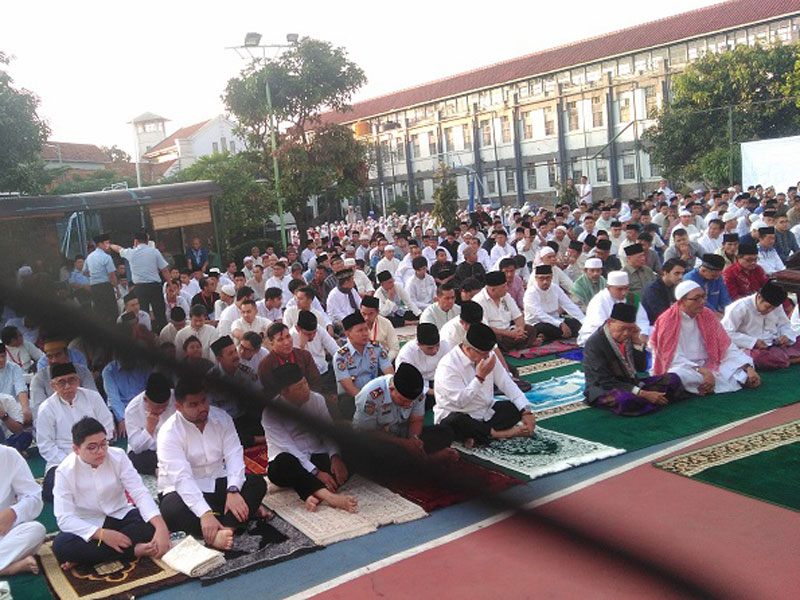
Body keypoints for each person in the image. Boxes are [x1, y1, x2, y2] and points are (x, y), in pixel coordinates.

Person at [157, 377, 269, 551]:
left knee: (257, 483)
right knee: (172, 510)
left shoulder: (221, 418)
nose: (202, 408)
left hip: (217, 483)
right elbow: (182, 479)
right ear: (179, 407)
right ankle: (229, 522)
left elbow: (234, 455)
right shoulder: (168, 433)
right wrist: (204, 513)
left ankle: (225, 530)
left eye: (203, 401)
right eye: (193, 405)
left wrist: (233, 490)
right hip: (180, 491)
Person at [53, 417, 170, 569]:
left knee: (151, 525)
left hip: (120, 515)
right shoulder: (65, 471)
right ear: (76, 449)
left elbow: (139, 493)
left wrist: (161, 528)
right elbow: (64, 518)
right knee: (62, 546)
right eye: (92, 447)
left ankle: (90, 557)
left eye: (103, 444)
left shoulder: (118, 456)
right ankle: (133, 550)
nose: (100, 451)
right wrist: (102, 535)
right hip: (89, 523)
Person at [263, 364, 357, 513]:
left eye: (305, 383)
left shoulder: (317, 399)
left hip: (316, 454)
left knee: (352, 446)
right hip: (289, 462)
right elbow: (289, 448)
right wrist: (316, 473)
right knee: (284, 463)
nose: (306, 389)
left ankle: (313, 494)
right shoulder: (270, 412)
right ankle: (329, 497)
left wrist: (335, 457)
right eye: (299, 388)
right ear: (284, 392)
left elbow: (328, 433)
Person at [649, 280, 760, 395]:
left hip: (710, 363)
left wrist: (747, 367)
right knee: (678, 377)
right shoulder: (667, 320)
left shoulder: (707, 314)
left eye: (703, 297)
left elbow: (726, 346)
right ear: (682, 301)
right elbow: (670, 357)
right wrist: (702, 371)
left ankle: (701, 387)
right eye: (696, 298)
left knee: (739, 371)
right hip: (684, 367)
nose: (702, 301)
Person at [433, 323, 535, 445]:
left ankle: (479, 435)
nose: (487, 356)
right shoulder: (448, 365)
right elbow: (460, 402)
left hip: (484, 412)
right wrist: (479, 378)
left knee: (514, 408)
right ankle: (501, 434)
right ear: (468, 348)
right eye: (483, 353)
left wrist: (526, 411)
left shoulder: (488, 356)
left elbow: (506, 382)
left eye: (489, 352)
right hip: (458, 414)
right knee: (456, 421)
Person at [583, 303, 685, 416]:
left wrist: (637, 341)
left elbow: (641, 368)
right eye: (622, 328)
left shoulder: (630, 336)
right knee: (626, 400)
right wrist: (642, 393)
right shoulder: (595, 343)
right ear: (609, 322)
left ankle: (651, 400)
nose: (626, 333)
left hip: (632, 384)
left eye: (630, 329)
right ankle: (652, 399)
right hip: (604, 389)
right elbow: (604, 381)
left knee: (673, 379)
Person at [37, 363, 114, 503]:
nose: (67, 386)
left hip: (95, 452)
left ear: (78, 381)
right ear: (53, 386)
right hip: (62, 460)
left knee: (115, 475)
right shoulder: (46, 408)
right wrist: (74, 463)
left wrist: (92, 454)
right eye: (61, 382)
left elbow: (107, 428)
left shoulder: (93, 397)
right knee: (51, 490)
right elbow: (46, 446)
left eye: (71, 380)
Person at [354, 362, 456, 460]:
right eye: (403, 401)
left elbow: (416, 420)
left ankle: (416, 458)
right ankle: (426, 459)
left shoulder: (418, 394)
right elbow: (367, 433)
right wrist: (404, 444)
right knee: (378, 452)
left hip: (403, 434)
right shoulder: (371, 396)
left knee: (445, 433)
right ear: (391, 389)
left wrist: (414, 441)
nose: (408, 405)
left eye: (411, 402)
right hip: (379, 439)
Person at [721, 281, 800, 370]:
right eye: (767, 307)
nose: (770, 310)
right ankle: (787, 359)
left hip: (774, 344)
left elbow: (784, 324)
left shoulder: (776, 306)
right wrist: (753, 342)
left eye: (773, 308)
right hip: (750, 348)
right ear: (759, 297)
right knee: (760, 358)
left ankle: (784, 358)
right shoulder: (739, 308)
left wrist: (786, 335)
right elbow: (725, 333)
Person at [334, 312, 393, 421]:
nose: (365, 333)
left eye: (366, 329)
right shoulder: (341, 356)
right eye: (360, 330)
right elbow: (348, 387)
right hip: (352, 397)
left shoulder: (376, 347)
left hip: (376, 392)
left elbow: (389, 373)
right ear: (348, 334)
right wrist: (368, 401)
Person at [207, 336, 263, 448]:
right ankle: (259, 440)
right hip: (226, 421)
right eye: (230, 354)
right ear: (219, 358)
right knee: (226, 437)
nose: (236, 356)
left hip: (246, 416)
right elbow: (211, 412)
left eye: (235, 351)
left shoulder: (246, 373)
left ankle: (255, 439)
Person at [111, 231, 171, 333]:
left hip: (140, 288)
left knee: (142, 313)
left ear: (135, 241)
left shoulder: (131, 252)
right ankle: (162, 335)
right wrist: (170, 284)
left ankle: (144, 333)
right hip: (155, 286)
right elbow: (164, 270)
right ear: (147, 241)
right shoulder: (154, 251)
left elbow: (118, 248)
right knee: (159, 313)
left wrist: (109, 245)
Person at [0, 444, 46, 576]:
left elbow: (33, 497)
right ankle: (7, 569)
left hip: (2, 531)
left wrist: (13, 512)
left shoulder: (8, 455)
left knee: (35, 530)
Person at [30, 340, 97, 422]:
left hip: (85, 421)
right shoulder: (39, 379)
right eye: (50, 357)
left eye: (58, 355)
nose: (54, 360)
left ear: (67, 355)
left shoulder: (83, 372)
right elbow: (39, 412)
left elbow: (94, 400)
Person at [577, 271, 650, 346]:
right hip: (601, 335)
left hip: (627, 333)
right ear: (609, 288)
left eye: (626, 288)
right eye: (620, 289)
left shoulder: (632, 298)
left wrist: (642, 334)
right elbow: (599, 326)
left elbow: (642, 320)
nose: (624, 293)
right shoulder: (599, 300)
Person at [475, 270, 541, 351]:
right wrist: (510, 334)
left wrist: (520, 329)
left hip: (510, 330)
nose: (507, 288)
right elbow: (484, 327)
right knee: (491, 339)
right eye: (503, 287)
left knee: (530, 330)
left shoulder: (506, 296)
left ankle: (518, 344)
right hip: (497, 334)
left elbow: (518, 316)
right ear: (492, 290)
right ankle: (523, 344)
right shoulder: (479, 301)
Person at [124, 373, 175, 475]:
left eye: (165, 406)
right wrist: (149, 428)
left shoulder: (176, 398)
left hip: (173, 447)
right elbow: (136, 447)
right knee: (134, 459)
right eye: (157, 407)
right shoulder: (132, 409)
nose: (161, 411)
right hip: (149, 452)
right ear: (145, 400)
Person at [259, 322, 321, 401]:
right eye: (280, 340)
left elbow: (315, 381)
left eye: (288, 336)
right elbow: (270, 392)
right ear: (272, 343)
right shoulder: (266, 365)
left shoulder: (304, 355)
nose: (287, 342)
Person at [395, 323, 451, 409]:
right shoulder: (406, 354)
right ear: (419, 344)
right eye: (430, 348)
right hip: (417, 385)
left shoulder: (445, 345)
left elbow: (450, 369)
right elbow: (406, 381)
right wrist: (434, 392)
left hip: (438, 381)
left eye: (437, 346)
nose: (435, 351)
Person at [523, 265, 584, 343]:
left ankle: (547, 337)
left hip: (556, 319)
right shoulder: (530, 293)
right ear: (536, 278)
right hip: (537, 322)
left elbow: (569, 305)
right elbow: (539, 314)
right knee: (543, 328)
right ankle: (548, 335)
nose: (545, 281)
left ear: (552, 277)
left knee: (576, 324)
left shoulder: (555, 288)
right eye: (542, 278)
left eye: (548, 278)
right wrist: (560, 324)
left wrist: (584, 321)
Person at [291, 310, 340, 400]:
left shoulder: (319, 329)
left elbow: (335, 350)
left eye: (314, 333)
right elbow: (298, 368)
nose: (312, 336)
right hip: (309, 380)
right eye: (308, 334)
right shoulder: (291, 338)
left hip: (326, 372)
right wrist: (301, 347)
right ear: (298, 329)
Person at [102, 350, 152, 438]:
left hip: (143, 408)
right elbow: (114, 399)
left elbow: (150, 392)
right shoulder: (109, 371)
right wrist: (123, 418)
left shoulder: (145, 367)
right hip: (120, 412)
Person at [85, 233, 119, 324]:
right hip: (105, 286)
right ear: (100, 244)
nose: (108, 245)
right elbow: (112, 275)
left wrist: (94, 275)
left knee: (99, 312)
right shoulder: (106, 257)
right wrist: (117, 288)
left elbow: (84, 272)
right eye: (107, 243)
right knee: (112, 311)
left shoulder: (89, 257)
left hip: (94, 288)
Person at [641, 259, 686, 325]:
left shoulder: (676, 286)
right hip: (653, 325)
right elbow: (661, 314)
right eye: (677, 273)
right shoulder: (652, 290)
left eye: (682, 273)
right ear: (665, 273)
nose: (680, 277)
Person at [359, 295, 399, 362]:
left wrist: (385, 363)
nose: (366, 318)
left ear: (377, 312)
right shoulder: (355, 324)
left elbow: (394, 348)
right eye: (364, 314)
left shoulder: (386, 323)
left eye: (370, 314)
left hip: (382, 358)